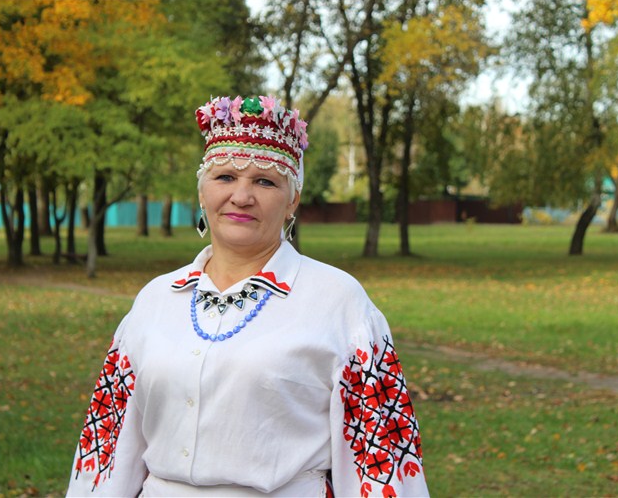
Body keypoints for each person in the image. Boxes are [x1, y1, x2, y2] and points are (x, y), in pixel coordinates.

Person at [66, 95, 429, 497]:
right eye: (225, 177)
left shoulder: (339, 302)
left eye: (265, 181)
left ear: (292, 200)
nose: (241, 196)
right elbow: (108, 445)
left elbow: (379, 455)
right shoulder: (154, 300)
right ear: (202, 192)